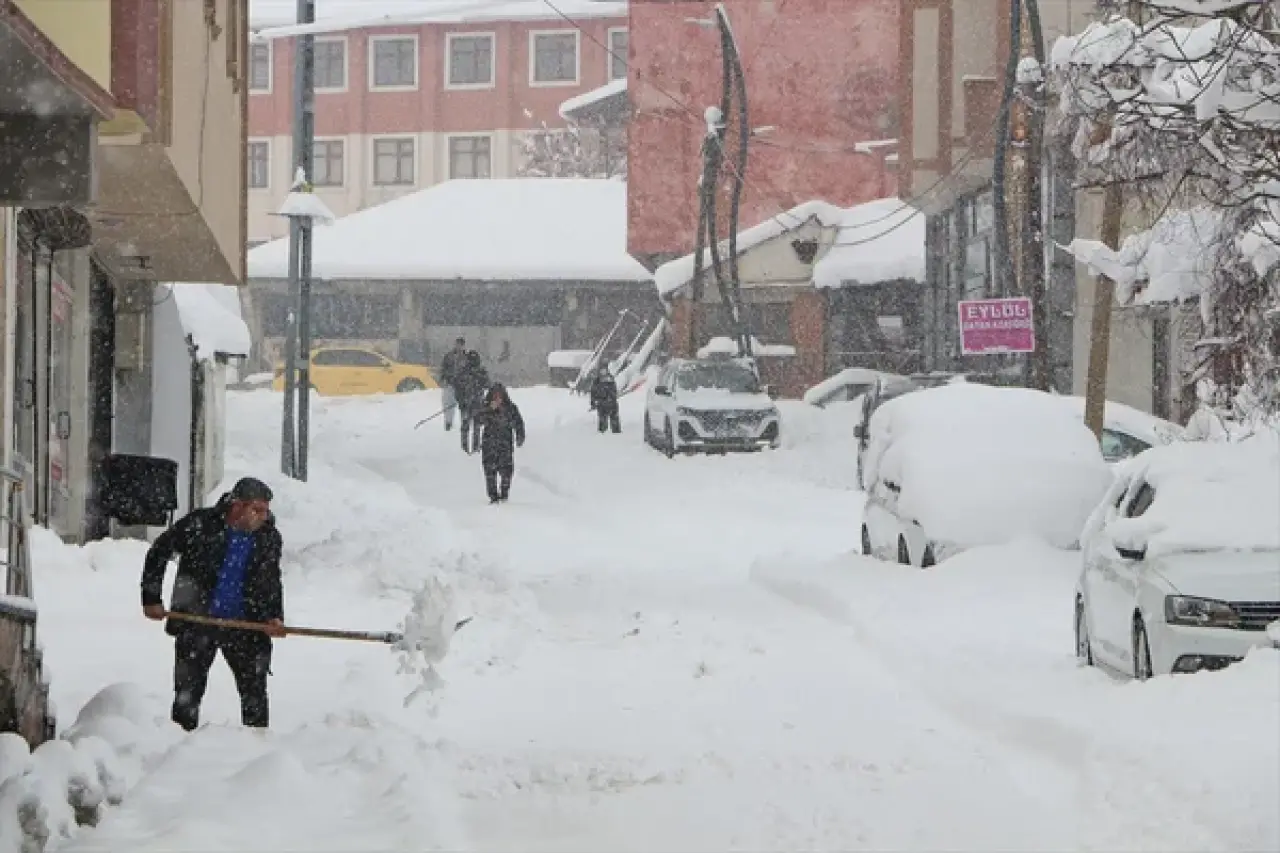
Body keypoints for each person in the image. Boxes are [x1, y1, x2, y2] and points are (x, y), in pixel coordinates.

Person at [140, 477, 285, 732]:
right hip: (197, 622)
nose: (264, 516)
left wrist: (274, 617)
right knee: (188, 692)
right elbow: (159, 551)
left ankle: (258, 750)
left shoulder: (268, 537)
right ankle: (180, 745)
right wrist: (151, 598)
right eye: (257, 510)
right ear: (237, 506)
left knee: (254, 694)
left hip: (246, 625)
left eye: (266, 510)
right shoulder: (201, 525)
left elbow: (271, 579)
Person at [473, 384, 526, 503]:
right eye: (495, 395)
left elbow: (518, 423)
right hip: (489, 444)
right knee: (489, 471)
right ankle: (493, 496)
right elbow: (477, 420)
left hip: (505, 444)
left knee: (507, 470)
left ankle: (504, 493)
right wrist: (488, 410)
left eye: (499, 395)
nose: (497, 398)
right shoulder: (486, 407)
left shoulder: (511, 408)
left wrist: (520, 436)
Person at [455, 350, 491, 454]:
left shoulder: (477, 371)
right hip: (469, 403)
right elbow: (457, 388)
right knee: (470, 427)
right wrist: (460, 400)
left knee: (474, 427)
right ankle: (467, 448)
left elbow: (488, 384)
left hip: (476, 403)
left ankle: (472, 448)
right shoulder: (464, 372)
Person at [438, 337, 468, 432]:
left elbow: (471, 370)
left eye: (461, 345)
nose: (458, 346)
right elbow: (443, 368)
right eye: (457, 344)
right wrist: (444, 379)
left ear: (463, 346)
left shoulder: (467, 357)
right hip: (450, 384)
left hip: (463, 386)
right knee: (448, 404)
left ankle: (465, 423)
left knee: (464, 405)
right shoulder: (449, 356)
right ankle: (448, 423)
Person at [589, 367, 621, 434]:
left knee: (614, 418)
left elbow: (614, 390)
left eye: (605, 371)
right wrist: (593, 403)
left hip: (612, 403)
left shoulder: (611, 380)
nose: (603, 373)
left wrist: (612, 396)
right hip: (601, 404)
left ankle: (616, 433)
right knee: (602, 420)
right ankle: (602, 433)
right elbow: (593, 393)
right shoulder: (596, 381)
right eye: (602, 371)